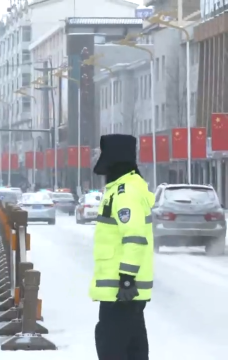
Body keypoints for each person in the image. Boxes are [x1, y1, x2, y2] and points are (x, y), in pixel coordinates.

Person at [90, 134, 154, 360]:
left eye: (103, 152)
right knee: (132, 347)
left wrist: (127, 278)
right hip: (123, 292)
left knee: (113, 347)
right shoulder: (122, 188)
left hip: (123, 291)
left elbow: (134, 237)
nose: (100, 157)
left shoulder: (125, 193)